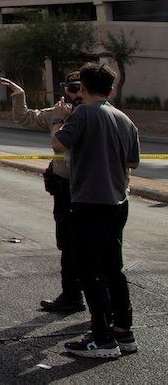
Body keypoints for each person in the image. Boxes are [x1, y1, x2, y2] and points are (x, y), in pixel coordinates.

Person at [51, 62, 140, 359]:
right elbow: (132, 163)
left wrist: (58, 120)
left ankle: (102, 338)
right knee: (113, 269)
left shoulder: (83, 114)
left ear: (84, 88)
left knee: (89, 271)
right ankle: (123, 331)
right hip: (118, 201)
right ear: (112, 89)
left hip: (89, 202)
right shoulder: (124, 119)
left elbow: (58, 145)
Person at [0, 73, 85, 314]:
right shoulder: (58, 113)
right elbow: (25, 119)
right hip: (64, 188)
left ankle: (106, 313)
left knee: (92, 248)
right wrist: (20, 96)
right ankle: (71, 296)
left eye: (81, 88)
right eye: (72, 88)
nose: (77, 93)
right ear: (66, 90)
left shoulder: (92, 115)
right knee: (67, 246)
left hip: (89, 189)